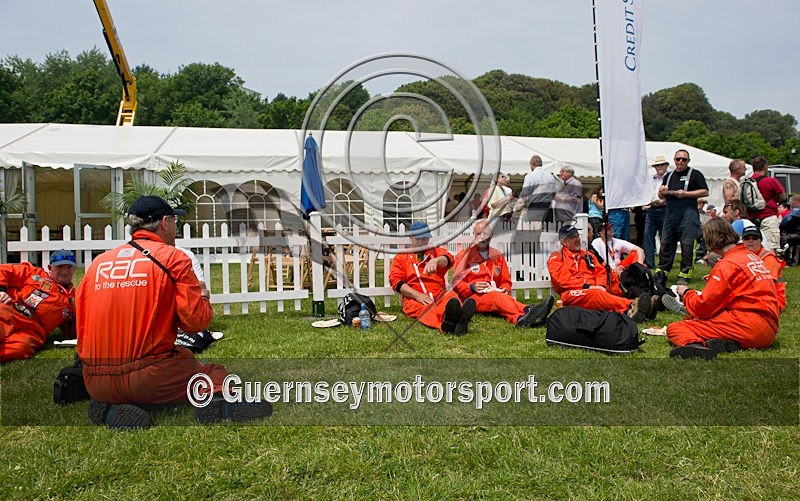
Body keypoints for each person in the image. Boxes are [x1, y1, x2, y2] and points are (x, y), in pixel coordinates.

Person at [76, 195, 271, 429]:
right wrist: (202, 296)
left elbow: (81, 322)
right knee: (211, 373)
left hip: (95, 380)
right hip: (149, 377)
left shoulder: (98, 264)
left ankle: (109, 407)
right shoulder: (173, 258)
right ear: (165, 222)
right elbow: (196, 322)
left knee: (172, 358)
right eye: (174, 222)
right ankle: (219, 401)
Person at [667, 218, 779, 359]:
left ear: (713, 239)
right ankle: (728, 343)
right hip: (769, 327)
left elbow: (703, 306)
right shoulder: (751, 256)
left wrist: (686, 293)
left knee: (677, 327)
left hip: (749, 326)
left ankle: (694, 346)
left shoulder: (727, 264)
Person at [453, 219, 554, 327]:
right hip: (473, 298)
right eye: (478, 233)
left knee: (501, 303)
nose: (482, 237)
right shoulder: (464, 256)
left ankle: (520, 319)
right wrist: (472, 287)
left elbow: (506, 281)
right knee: (497, 298)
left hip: (496, 295)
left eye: (485, 234)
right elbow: (457, 284)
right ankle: (528, 309)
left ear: (491, 236)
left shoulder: (498, 256)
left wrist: (504, 289)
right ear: (473, 235)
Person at [547, 224, 653, 323]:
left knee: (603, 294)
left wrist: (601, 285)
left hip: (596, 289)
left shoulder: (588, 254)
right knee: (596, 294)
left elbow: (600, 272)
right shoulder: (556, 258)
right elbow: (564, 281)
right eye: (573, 237)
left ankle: (629, 312)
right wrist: (589, 287)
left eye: (577, 235)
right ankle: (632, 304)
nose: (577, 239)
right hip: (571, 293)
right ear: (564, 242)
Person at [389, 221, 476, 335]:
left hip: (438, 293)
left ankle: (453, 320)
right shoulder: (401, 257)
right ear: (410, 237)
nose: (422, 242)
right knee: (424, 310)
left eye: (425, 238)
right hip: (415, 297)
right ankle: (452, 322)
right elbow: (396, 282)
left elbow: (449, 259)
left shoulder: (436, 252)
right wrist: (417, 295)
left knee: (451, 297)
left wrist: (436, 260)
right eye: (418, 239)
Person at [0, 249, 77, 363]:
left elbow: (73, 329)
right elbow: (4, 270)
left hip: (33, 330)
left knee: (22, 347)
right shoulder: (35, 274)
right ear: (50, 267)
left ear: (74, 268)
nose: (64, 271)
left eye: (69, 267)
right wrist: (1, 290)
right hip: (14, 310)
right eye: (60, 267)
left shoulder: (74, 298)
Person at [657, 149, 709, 285]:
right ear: (674, 160)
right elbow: (661, 196)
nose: (680, 162)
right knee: (666, 244)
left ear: (688, 161)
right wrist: (661, 192)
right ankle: (662, 273)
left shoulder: (695, 174)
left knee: (688, 245)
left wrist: (686, 194)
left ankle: (684, 275)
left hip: (688, 214)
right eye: (678, 159)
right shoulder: (669, 176)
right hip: (670, 214)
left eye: (684, 159)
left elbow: (705, 191)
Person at [740, 226, 786, 312]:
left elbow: (766, 286)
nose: (750, 241)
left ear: (761, 241)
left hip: (772, 300)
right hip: (753, 296)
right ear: (742, 241)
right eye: (747, 238)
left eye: (754, 238)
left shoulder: (769, 258)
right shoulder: (742, 256)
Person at [746, 156, 786, 252]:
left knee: (753, 249)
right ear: (765, 167)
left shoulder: (747, 182)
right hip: (768, 217)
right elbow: (783, 197)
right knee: (771, 248)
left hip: (751, 219)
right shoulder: (771, 181)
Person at [643, 156, 669, 268]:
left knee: (665, 236)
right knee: (648, 235)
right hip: (652, 208)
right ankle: (649, 263)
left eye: (662, 165)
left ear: (666, 166)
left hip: (665, 208)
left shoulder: (670, 178)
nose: (660, 167)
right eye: (658, 165)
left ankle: (664, 262)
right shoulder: (651, 178)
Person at [518, 155, 556, 225]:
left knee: (534, 229)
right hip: (548, 208)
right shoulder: (551, 177)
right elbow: (554, 194)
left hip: (534, 207)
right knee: (547, 229)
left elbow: (524, 195)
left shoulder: (529, 176)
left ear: (532, 165)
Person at [779, 194, 800, 265]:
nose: (790, 204)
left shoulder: (796, 210)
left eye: (791, 203)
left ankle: (787, 261)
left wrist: (780, 229)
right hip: (796, 234)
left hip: (797, 234)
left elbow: (786, 220)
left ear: (795, 202)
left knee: (785, 239)